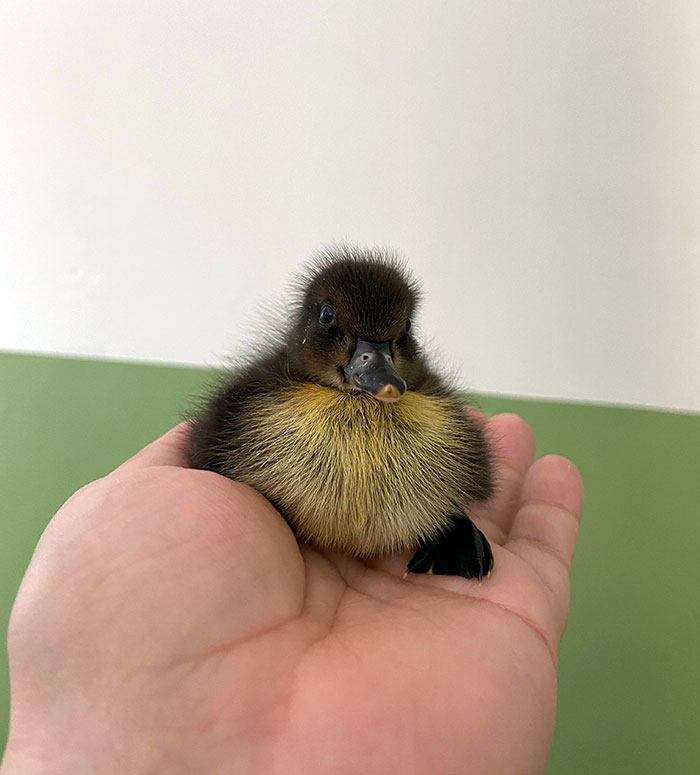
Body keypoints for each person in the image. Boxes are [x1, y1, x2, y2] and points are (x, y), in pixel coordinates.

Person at [1, 413, 583, 775]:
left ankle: (437, 527)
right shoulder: (263, 418)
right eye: (340, 331)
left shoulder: (429, 429)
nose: (370, 362)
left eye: (390, 338)